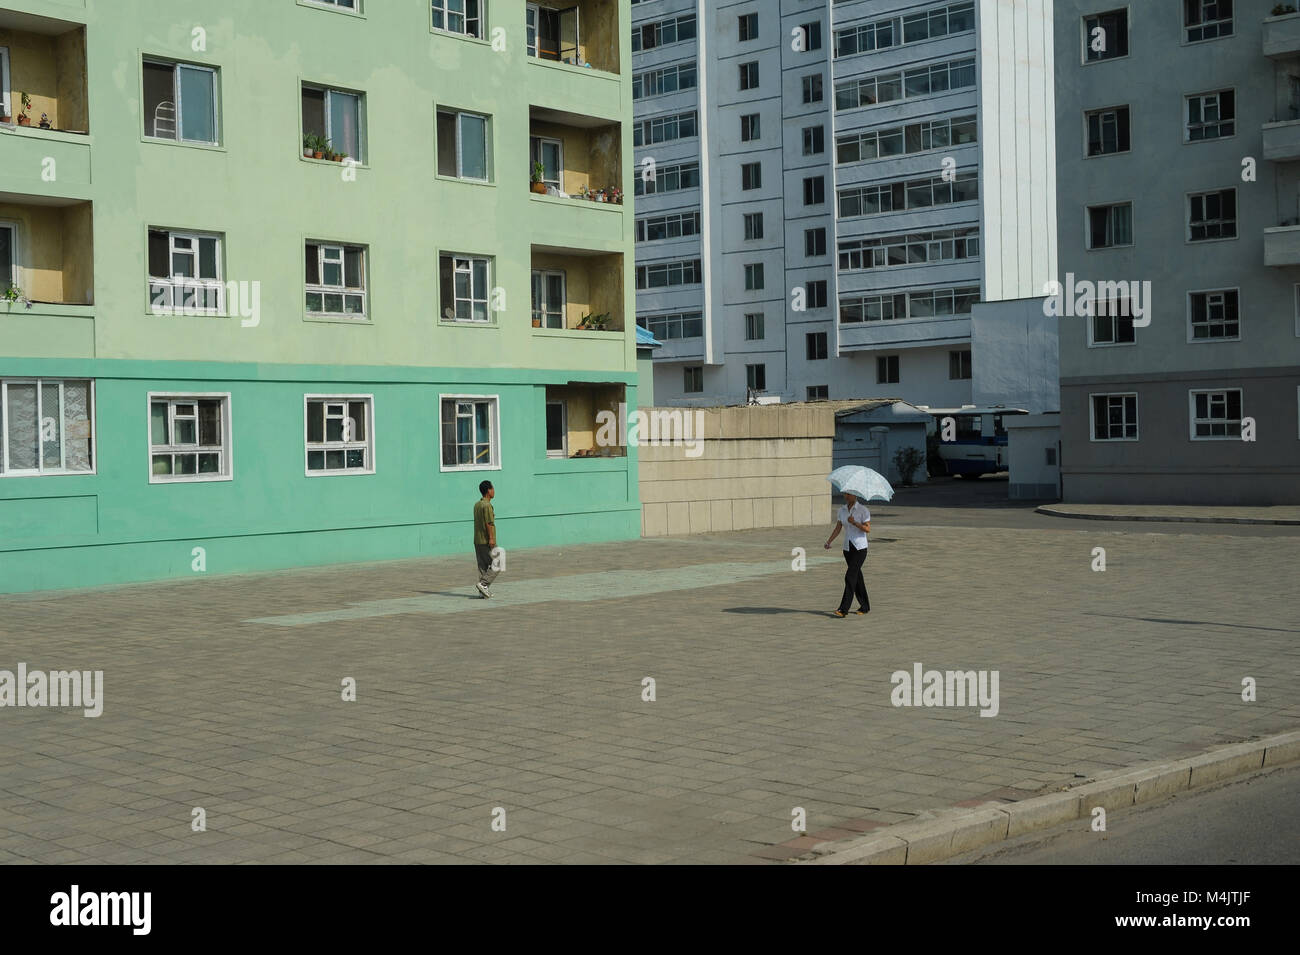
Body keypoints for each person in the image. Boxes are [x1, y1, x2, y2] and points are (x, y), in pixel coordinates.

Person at [824, 491, 870, 617]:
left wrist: (855, 522)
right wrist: (829, 541)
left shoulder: (863, 510)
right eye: (845, 494)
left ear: (855, 495)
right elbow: (838, 527)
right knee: (857, 577)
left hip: (860, 548)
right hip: (847, 548)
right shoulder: (842, 510)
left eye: (849, 494)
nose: (846, 496)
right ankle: (865, 606)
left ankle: (843, 609)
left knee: (850, 577)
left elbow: (867, 529)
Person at [473, 480, 499, 598]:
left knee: (482, 566)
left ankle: (482, 591)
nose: (494, 490)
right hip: (486, 540)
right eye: (493, 488)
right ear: (488, 491)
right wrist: (492, 538)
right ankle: (483, 584)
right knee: (498, 562)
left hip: (477, 540)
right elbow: (489, 523)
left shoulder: (477, 504)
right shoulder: (487, 505)